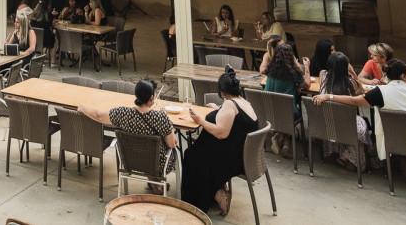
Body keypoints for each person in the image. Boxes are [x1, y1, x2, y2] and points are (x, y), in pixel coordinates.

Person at [315, 59, 406, 162]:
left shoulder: (380, 91)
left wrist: (329, 96)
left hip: (394, 139)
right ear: (404, 76)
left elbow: (354, 101)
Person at [181, 69, 259, 215]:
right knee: (197, 152)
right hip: (243, 154)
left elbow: (221, 133)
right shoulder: (243, 101)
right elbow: (235, 121)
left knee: (191, 155)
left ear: (222, 92)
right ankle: (212, 192)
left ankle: (216, 194)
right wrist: (218, 109)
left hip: (233, 160)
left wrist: (200, 121)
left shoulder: (230, 105)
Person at [78, 79, 176, 194]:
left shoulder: (123, 113)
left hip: (131, 161)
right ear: (151, 98)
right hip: (157, 165)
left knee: (143, 150)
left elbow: (98, 115)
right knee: (166, 148)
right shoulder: (160, 117)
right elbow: (171, 144)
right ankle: (155, 182)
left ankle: (154, 183)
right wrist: (171, 130)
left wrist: (81, 107)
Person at [314, 51, 372, 169]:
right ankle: (351, 158)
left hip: (326, 121)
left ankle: (336, 153)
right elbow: (361, 91)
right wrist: (353, 73)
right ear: (346, 66)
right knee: (362, 124)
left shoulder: (323, 75)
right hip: (346, 123)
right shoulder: (350, 82)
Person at [263, 42, 310, 156]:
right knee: (292, 112)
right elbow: (307, 85)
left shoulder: (270, 71)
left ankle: (283, 141)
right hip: (288, 113)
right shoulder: (293, 74)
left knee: (285, 110)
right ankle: (280, 138)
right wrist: (307, 67)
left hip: (269, 112)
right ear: (291, 56)